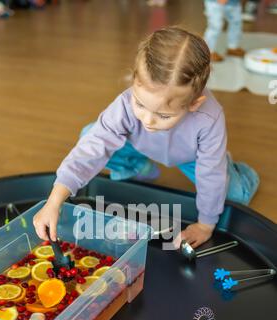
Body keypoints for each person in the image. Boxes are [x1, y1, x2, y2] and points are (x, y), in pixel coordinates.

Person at [33, 26, 259, 249]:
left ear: (193, 103)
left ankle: (236, 169)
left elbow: (211, 175)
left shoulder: (209, 119)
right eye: (140, 104)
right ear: (134, 81)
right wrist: (54, 201)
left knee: (233, 197)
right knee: (89, 134)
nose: (148, 120)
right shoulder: (125, 103)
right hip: (138, 146)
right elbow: (93, 147)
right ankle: (141, 167)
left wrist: (205, 225)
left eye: (163, 115)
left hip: (190, 157)